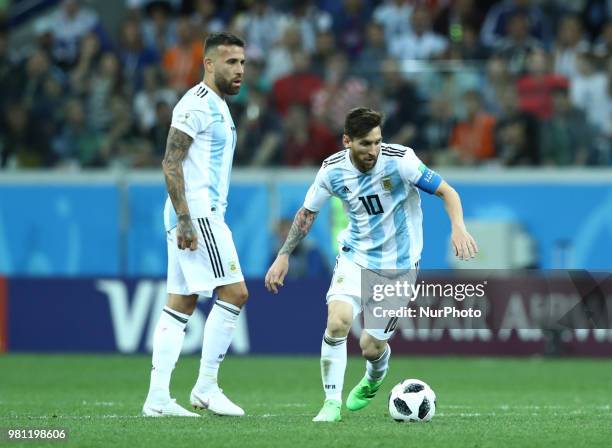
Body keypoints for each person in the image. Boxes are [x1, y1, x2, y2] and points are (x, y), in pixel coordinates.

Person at [265, 107, 478, 423]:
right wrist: (283, 254)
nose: (374, 151)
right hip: (355, 258)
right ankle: (331, 403)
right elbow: (307, 214)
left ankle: (375, 376)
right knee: (338, 322)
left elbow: (447, 192)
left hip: (400, 267)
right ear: (347, 141)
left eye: (378, 142)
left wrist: (458, 227)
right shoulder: (332, 171)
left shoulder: (401, 161)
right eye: (366, 144)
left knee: (371, 346)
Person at [142, 32, 248, 418]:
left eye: (242, 63)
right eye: (231, 62)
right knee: (235, 293)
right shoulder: (196, 104)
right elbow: (171, 161)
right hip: (196, 214)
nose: (239, 70)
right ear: (209, 64)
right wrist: (186, 218)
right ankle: (205, 387)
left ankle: (157, 398)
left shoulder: (219, 105)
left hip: (198, 213)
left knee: (181, 303)